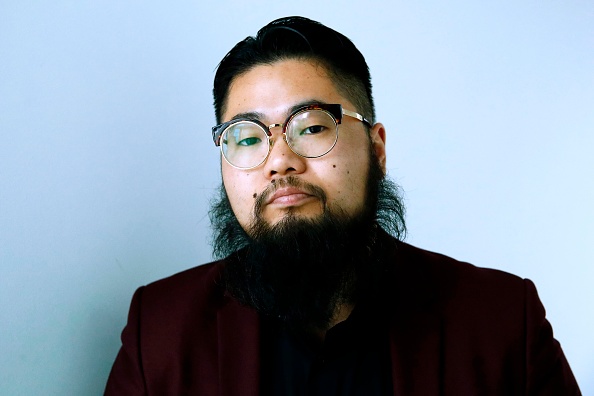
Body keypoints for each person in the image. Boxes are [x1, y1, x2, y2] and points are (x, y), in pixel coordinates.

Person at [104, 16, 581, 395]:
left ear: (377, 149)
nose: (280, 162)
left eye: (311, 127)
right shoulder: (160, 331)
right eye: (247, 138)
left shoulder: (500, 321)